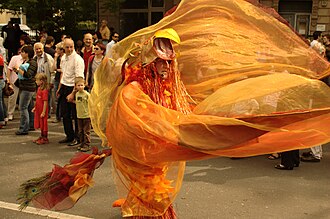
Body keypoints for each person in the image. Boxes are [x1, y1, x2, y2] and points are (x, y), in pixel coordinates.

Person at [57, 38, 84, 146]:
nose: (69, 49)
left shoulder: (78, 59)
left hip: (74, 88)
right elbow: (63, 73)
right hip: (64, 86)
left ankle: (78, 138)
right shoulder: (63, 57)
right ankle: (69, 135)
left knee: (76, 115)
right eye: (67, 47)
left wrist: (73, 93)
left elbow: (79, 78)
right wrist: (59, 87)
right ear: (63, 47)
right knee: (65, 114)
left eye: (71, 47)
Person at [15, 45, 37, 135]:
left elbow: (28, 75)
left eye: (23, 52)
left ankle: (24, 128)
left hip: (28, 88)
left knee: (23, 107)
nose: (21, 53)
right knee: (29, 107)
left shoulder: (32, 63)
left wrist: (18, 70)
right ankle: (31, 125)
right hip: (26, 87)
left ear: (27, 53)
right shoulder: (26, 61)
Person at [34, 42, 54, 118]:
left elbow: (52, 71)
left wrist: (50, 82)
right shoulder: (34, 58)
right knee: (39, 99)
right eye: (37, 49)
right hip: (38, 82)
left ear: (43, 49)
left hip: (46, 81)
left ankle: (47, 114)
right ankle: (41, 112)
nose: (38, 50)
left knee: (46, 99)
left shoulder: (48, 58)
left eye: (40, 48)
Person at [6, 47, 24, 121]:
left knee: (24, 99)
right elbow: (9, 69)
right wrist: (8, 80)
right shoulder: (15, 58)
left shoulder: (29, 60)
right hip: (14, 81)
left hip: (24, 82)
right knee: (12, 98)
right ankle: (10, 113)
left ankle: (23, 114)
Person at [74, 77, 91, 152]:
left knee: (86, 131)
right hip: (79, 115)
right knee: (80, 131)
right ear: (75, 86)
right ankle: (82, 143)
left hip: (86, 115)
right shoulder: (77, 94)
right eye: (78, 85)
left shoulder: (87, 94)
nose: (80, 87)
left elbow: (91, 103)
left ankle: (87, 144)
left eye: (82, 85)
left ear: (84, 85)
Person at [32, 73, 49, 145]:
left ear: (41, 81)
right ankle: (42, 136)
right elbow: (37, 100)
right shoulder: (39, 89)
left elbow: (45, 102)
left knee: (43, 124)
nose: (36, 81)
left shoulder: (44, 91)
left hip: (42, 109)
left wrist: (44, 112)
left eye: (37, 80)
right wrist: (35, 107)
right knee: (40, 122)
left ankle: (45, 137)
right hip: (38, 109)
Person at [52, 42, 64, 123]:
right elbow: (54, 68)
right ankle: (58, 115)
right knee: (56, 97)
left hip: (62, 79)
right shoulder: (58, 58)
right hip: (57, 78)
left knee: (60, 98)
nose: (55, 51)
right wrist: (55, 59)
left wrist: (58, 70)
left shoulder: (64, 58)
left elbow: (62, 70)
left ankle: (59, 115)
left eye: (57, 49)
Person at [0, 54, 6, 129]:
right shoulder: (1, 57)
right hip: (1, 80)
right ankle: (4, 117)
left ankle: (1, 120)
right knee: (1, 100)